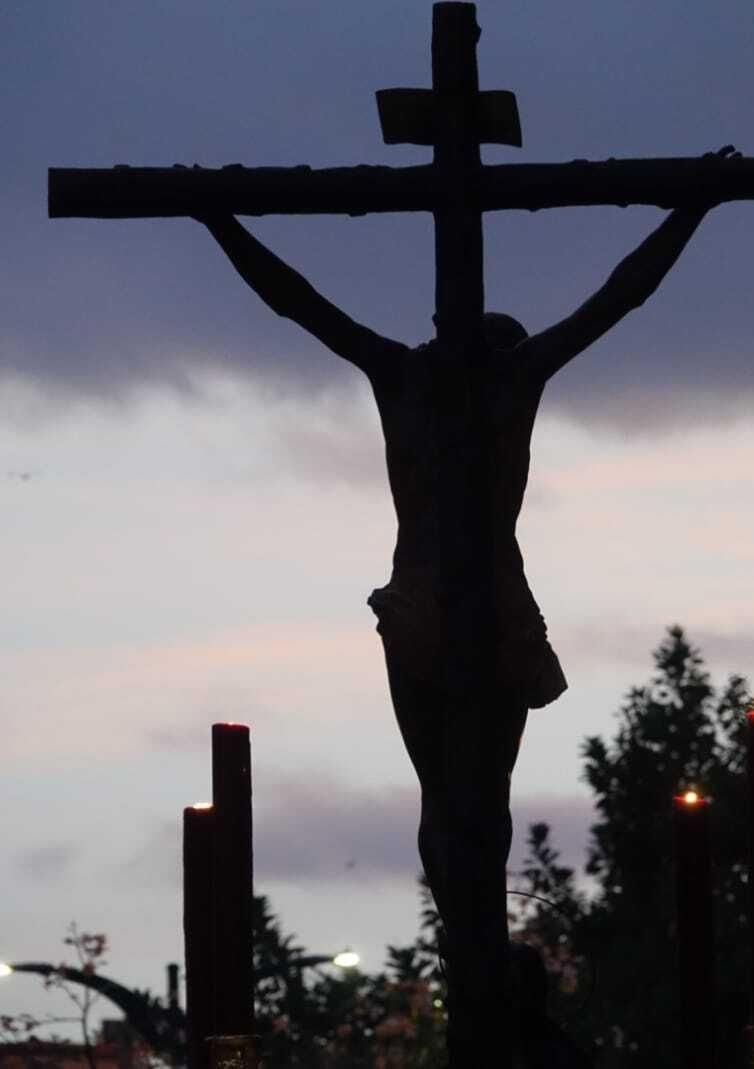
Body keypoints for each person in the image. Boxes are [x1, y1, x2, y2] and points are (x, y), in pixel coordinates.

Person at [194, 157, 724, 1056]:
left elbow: (299, 300)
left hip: (444, 613)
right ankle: (475, 956)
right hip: (454, 612)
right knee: (470, 804)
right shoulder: (479, 380)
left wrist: (218, 221)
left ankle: (476, 959)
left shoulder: (422, 376)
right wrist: (694, 208)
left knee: (456, 802)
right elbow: (616, 296)